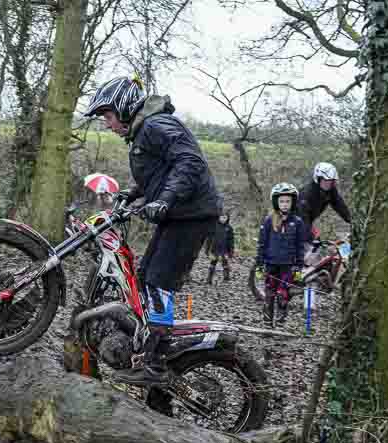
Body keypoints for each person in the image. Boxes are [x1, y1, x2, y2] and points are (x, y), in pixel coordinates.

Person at [83, 75, 223, 386]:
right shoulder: (145, 130)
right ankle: (151, 346)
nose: (106, 123)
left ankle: (156, 362)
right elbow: (162, 171)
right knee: (145, 276)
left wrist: (166, 199)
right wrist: (134, 193)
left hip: (192, 214)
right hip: (181, 213)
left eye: (107, 115)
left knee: (159, 281)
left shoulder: (156, 126)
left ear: (123, 107)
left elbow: (189, 162)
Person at [255, 183, 306, 327]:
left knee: (283, 294)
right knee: (269, 294)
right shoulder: (269, 220)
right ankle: (267, 323)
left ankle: (281, 323)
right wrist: (259, 264)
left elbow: (299, 246)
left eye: (288, 201)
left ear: (293, 202)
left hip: (288, 265)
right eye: (282, 201)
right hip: (271, 264)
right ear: (276, 202)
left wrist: (299, 267)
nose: (284, 204)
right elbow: (262, 243)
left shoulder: (297, 222)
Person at [297, 162, 351, 257]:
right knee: (310, 248)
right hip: (295, 222)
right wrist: (312, 238)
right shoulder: (307, 194)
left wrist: (352, 220)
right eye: (325, 181)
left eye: (330, 181)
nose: (328, 184)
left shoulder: (331, 191)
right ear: (318, 179)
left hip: (307, 221)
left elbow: (340, 205)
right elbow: (302, 218)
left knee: (318, 248)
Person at [206, 212, 235, 283]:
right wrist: (207, 250)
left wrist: (231, 252)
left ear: (227, 218)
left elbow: (231, 241)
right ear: (218, 217)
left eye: (225, 217)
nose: (223, 219)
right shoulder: (214, 226)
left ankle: (226, 279)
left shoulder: (229, 228)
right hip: (214, 249)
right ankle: (209, 279)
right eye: (221, 217)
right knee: (212, 263)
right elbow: (209, 239)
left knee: (225, 263)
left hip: (224, 249)